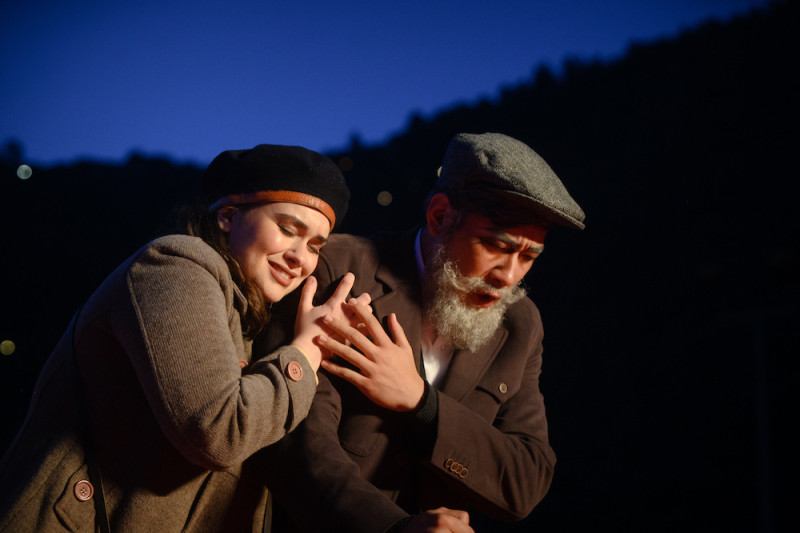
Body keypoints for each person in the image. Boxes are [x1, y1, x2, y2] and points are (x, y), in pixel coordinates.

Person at [0, 144, 364, 532]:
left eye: (314, 246)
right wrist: (305, 352)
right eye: (288, 230)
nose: (299, 258)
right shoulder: (176, 264)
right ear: (227, 216)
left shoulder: (244, 314)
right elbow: (220, 432)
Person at [256, 132, 585, 532]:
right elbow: (294, 447)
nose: (509, 277)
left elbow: (525, 482)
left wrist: (419, 401)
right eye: (495, 245)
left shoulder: (521, 323)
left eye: (529, 256)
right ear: (440, 216)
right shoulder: (336, 270)